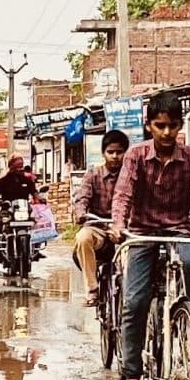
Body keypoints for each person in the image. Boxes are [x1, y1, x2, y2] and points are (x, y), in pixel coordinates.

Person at [109, 92, 190, 380]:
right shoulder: (135, 156)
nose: (167, 133)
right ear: (149, 126)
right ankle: (132, 376)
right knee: (134, 302)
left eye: (172, 126)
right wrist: (118, 224)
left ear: (180, 125)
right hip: (141, 233)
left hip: (178, 232)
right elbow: (123, 195)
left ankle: (186, 325)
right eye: (160, 126)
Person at [68, 127, 130, 300]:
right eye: (110, 152)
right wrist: (80, 212)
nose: (115, 156)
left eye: (119, 152)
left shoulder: (131, 176)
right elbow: (82, 198)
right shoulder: (93, 175)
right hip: (98, 228)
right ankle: (92, 288)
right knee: (82, 238)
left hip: (126, 230)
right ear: (103, 153)